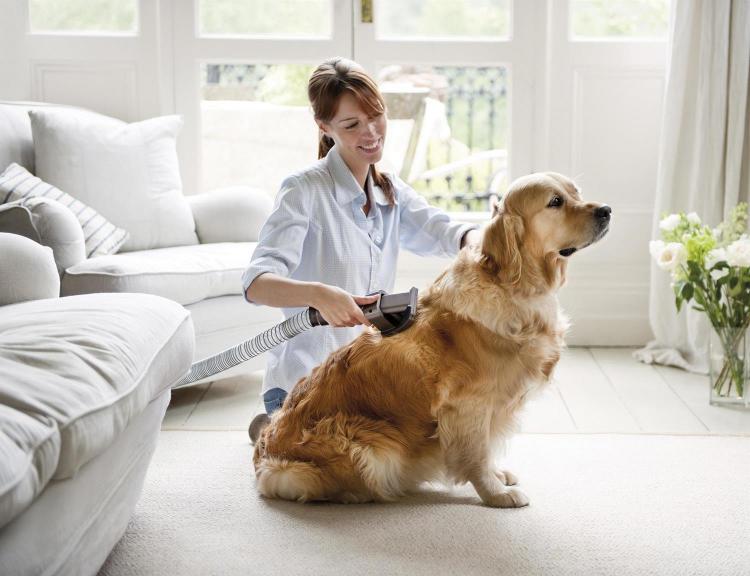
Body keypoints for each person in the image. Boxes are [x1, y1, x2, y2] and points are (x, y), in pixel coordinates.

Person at [244, 57, 480, 443]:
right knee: (343, 462)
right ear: (324, 127)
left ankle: (278, 431)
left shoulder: (391, 190)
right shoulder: (303, 190)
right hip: (307, 380)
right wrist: (318, 295)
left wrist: (474, 239)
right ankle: (275, 425)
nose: (371, 133)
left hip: (369, 376)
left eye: (376, 116)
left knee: (437, 437)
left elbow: (443, 230)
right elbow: (256, 283)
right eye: (352, 124)